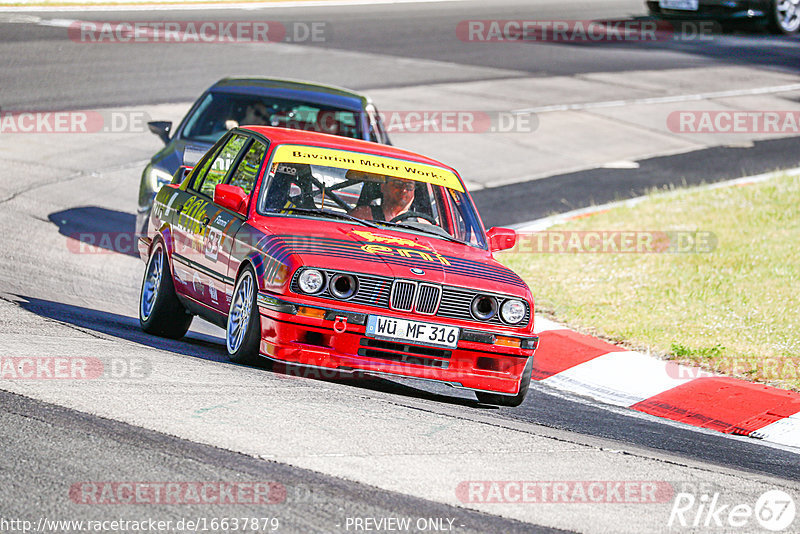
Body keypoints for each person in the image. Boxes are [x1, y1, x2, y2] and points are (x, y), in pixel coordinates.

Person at [348, 175, 417, 222]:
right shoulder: (360, 216)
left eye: (409, 185)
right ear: (383, 187)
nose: (403, 190)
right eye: (397, 184)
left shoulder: (422, 225)